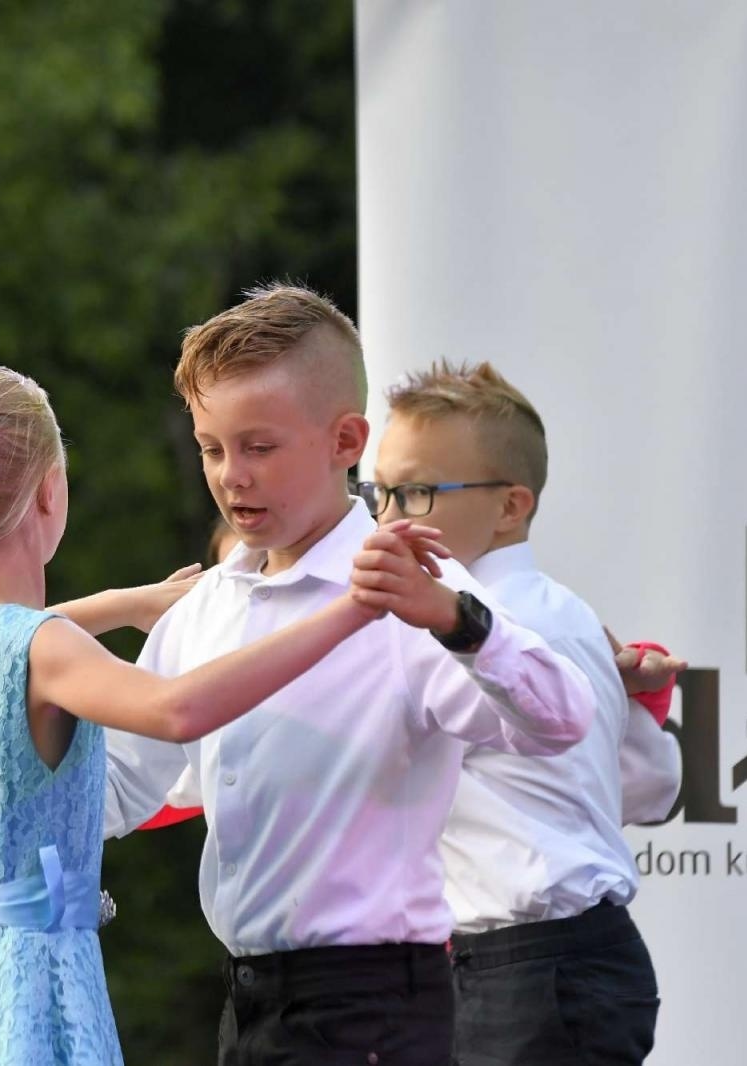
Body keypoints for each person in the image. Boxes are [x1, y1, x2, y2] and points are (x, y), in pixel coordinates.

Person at [0, 361, 443, 1066]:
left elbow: (5, 640)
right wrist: (351, 610)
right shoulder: (46, 649)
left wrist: (127, 605)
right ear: (51, 493)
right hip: (28, 986)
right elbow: (176, 708)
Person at [102, 285, 598, 1065]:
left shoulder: (411, 589)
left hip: (373, 1006)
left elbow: (564, 719)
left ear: (345, 440)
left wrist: (457, 622)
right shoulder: (202, 610)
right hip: (245, 1002)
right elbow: (124, 788)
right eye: (211, 448)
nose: (232, 476)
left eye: (259, 447)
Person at [364, 360, 683, 1066]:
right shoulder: (567, 615)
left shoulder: (505, 626)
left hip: (538, 971)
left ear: (511, 506)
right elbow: (651, 788)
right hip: (523, 967)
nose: (387, 517)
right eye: (378, 491)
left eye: (415, 492)